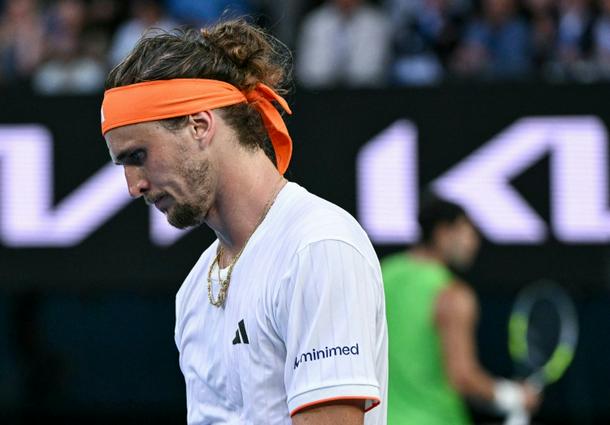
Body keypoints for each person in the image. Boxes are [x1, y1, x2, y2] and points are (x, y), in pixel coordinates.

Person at [100, 19, 387, 425]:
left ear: (199, 125)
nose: (134, 187)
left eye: (138, 156)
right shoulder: (194, 291)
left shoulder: (318, 247)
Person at [381, 197, 540, 424]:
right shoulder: (453, 295)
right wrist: (513, 396)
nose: (473, 243)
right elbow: (463, 377)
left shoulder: (382, 273)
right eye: (467, 232)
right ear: (442, 233)